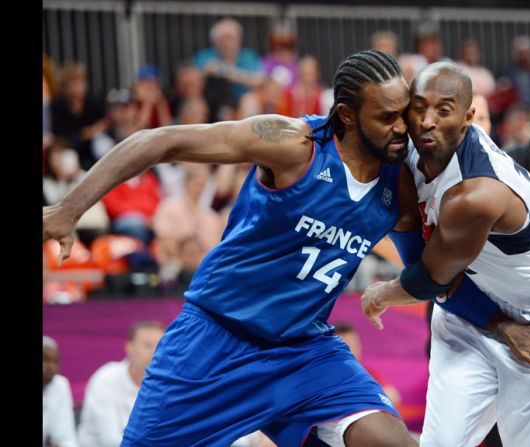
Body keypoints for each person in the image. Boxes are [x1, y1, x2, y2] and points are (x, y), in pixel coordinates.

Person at [45, 49, 422, 447]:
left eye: (404, 113)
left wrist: (392, 292)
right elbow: (160, 141)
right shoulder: (295, 145)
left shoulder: (400, 181)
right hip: (215, 341)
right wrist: (68, 209)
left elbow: (431, 268)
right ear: (347, 114)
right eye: (386, 117)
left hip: (305, 350)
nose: (402, 127)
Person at [361, 12, 530, 446]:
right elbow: (423, 271)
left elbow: (424, 278)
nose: (427, 121)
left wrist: (382, 294)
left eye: (444, 111)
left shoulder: (478, 192)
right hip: (466, 297)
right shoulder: (411, 152)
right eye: (419, 108)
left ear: (470, 118)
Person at [77, 321, 166, 447]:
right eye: (147, 345)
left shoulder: (168, 386)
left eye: (160, 346)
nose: (154, 353)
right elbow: (111, 440)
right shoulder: (105, 379)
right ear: (129, 347)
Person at [43, 336, 78, 447]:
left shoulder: (61, 385)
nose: (50, 366)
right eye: (45, 360)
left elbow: (67, 437)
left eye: (55, 361)